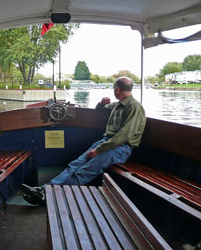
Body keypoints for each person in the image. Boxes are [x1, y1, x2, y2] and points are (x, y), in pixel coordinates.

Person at [21, 77, 146, 205]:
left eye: (114, 89)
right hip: (105, 143)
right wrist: (101, 104)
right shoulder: (118, 105)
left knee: (83, 172)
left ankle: (51, 196)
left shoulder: (135, 107)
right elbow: (101, 109)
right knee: (74, 165)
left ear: (117, 89)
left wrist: (98, 150)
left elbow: (123, 136)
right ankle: (43, 190)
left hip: (120, 149)